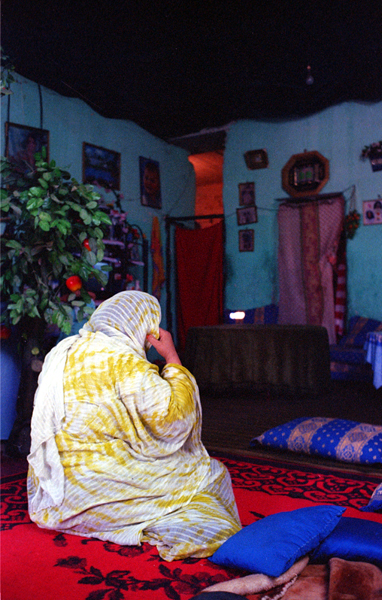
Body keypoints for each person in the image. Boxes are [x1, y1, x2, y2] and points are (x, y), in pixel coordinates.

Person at [27, 291, 241, 561]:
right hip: (102, 486)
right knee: (210, 473)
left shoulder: (62, 351)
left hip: (61, 491)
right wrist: (172, 357)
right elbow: (174, 421)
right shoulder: (128, 364)